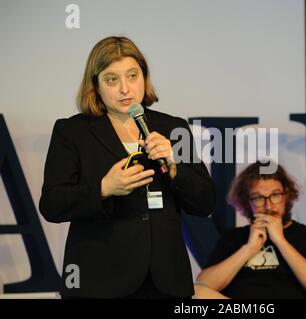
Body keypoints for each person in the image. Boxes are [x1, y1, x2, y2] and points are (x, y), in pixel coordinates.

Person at [39, 36, 215, 298]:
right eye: (112, 79)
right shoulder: (72, 131)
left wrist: (177, 166)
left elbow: (205, 202)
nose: (125, 89)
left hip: (164, 282)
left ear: (144, 77)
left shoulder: (174, 128)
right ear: (96, 85)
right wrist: (103, 188)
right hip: (100, 280)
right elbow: (52, 204)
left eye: (132, 76)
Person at [194, 161, 306, 299]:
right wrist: (249, 248)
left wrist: (281, 241)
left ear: (286, 195)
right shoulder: (233, 238)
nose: (268, 206)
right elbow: (202, 286)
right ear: (247, 201)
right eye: (258, 198)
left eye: (275, 195)